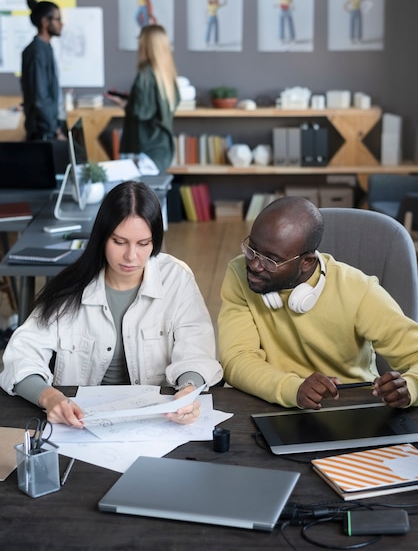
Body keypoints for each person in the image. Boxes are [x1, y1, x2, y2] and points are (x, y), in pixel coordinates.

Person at [0, 181, 222, 427]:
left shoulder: (177, 279)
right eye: (119, 242)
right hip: (82, 422)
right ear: (102, 238)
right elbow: (21, 356)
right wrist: (50, 397)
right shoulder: (70, 285)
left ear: (155, 242)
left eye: (143, 243)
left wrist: (188, 391)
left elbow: (197, 349)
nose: (131, 256)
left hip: (158, 421)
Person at [218, 196, 418, 410]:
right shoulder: (240, 273)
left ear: (307, 262)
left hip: (355, 407)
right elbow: (237, 359)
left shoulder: (358, 290)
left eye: (271, 260)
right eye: (252, 249)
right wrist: (294, 389)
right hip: (273, 403)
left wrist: (411, 388)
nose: (255, 265)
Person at [106, 25, 179, 175]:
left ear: (146, 45)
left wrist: (124, 104)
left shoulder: (145, 74)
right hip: (162, 150)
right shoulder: (167, 76)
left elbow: (141, 111)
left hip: (143, 151)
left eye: (140, 40)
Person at [21, 0, 67, 142]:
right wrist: (55, 129)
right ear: (45, 22)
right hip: (43, 132)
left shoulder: (45, 48)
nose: (61, 24)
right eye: (58, 19)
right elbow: (40, 98)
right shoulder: (36, 52)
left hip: (49, 127)